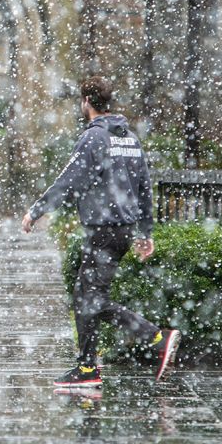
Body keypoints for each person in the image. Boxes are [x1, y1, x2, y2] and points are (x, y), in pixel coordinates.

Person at [21, 76, 181, 388]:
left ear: (86, 103)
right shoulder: (129, 139)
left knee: (88, 299)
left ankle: (155, 337)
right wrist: (145, 231)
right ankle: (87, 368)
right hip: (122, 229)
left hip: (102, 230)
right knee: (89, 296)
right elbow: (145, 186)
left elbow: (69, 180)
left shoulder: (94, 138)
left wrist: (36, 210)